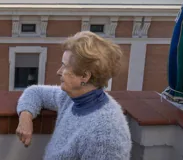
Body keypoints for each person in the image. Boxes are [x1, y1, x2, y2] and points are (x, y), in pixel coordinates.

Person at [16, 31, 131, 160]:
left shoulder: (105, 133)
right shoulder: (71, 98)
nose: (59, 72)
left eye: (65, 66)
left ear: (84, 76)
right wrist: (25, 118)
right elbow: (35, 92)